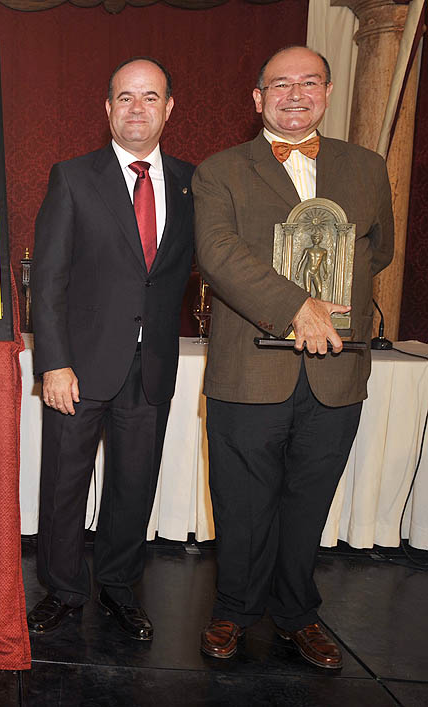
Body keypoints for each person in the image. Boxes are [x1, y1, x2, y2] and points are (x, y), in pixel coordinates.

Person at [193, 46, 394, 668]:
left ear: (329, 93)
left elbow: (376, 252)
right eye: (280, 84)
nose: (296, 94)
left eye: (310, 82)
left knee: (309, 500)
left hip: (337, 369)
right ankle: (233, 608)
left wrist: (328, 312)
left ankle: (296, 614)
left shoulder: (367, 167)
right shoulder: (220, 170)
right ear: (257, 99)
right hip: (250, 367)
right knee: (240, 501)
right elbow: (219, 254)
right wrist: (297, 307)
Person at [28, 57, 195, 640]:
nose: (137, 108)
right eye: (125, 96)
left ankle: (120, 588)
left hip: (151, 368)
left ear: (169, 108)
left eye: (150, 97)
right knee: (64, 483)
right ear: (107, 108)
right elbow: (48, 280)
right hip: (80, 365)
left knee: (134, 485)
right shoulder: (72, 177)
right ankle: (63, 589)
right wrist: (52, 361)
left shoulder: (192, 182)